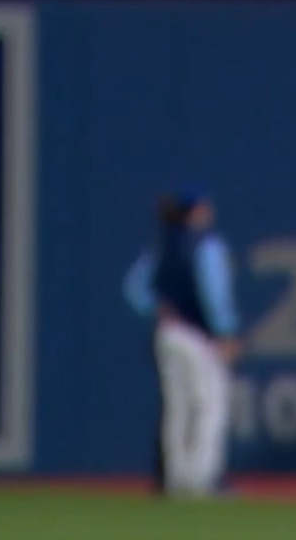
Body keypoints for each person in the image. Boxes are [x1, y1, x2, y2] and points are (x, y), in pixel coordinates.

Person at [122, 188, 240, 499]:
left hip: (168, 332)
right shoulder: (206, 246)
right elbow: (215, 296)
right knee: (210, 404)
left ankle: (175, 478)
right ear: (196, 212)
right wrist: (226, 333)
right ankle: (203, 478)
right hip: (198, 335)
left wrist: (158, 306)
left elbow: (135, 287)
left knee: (177, 408)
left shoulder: (163, 247)